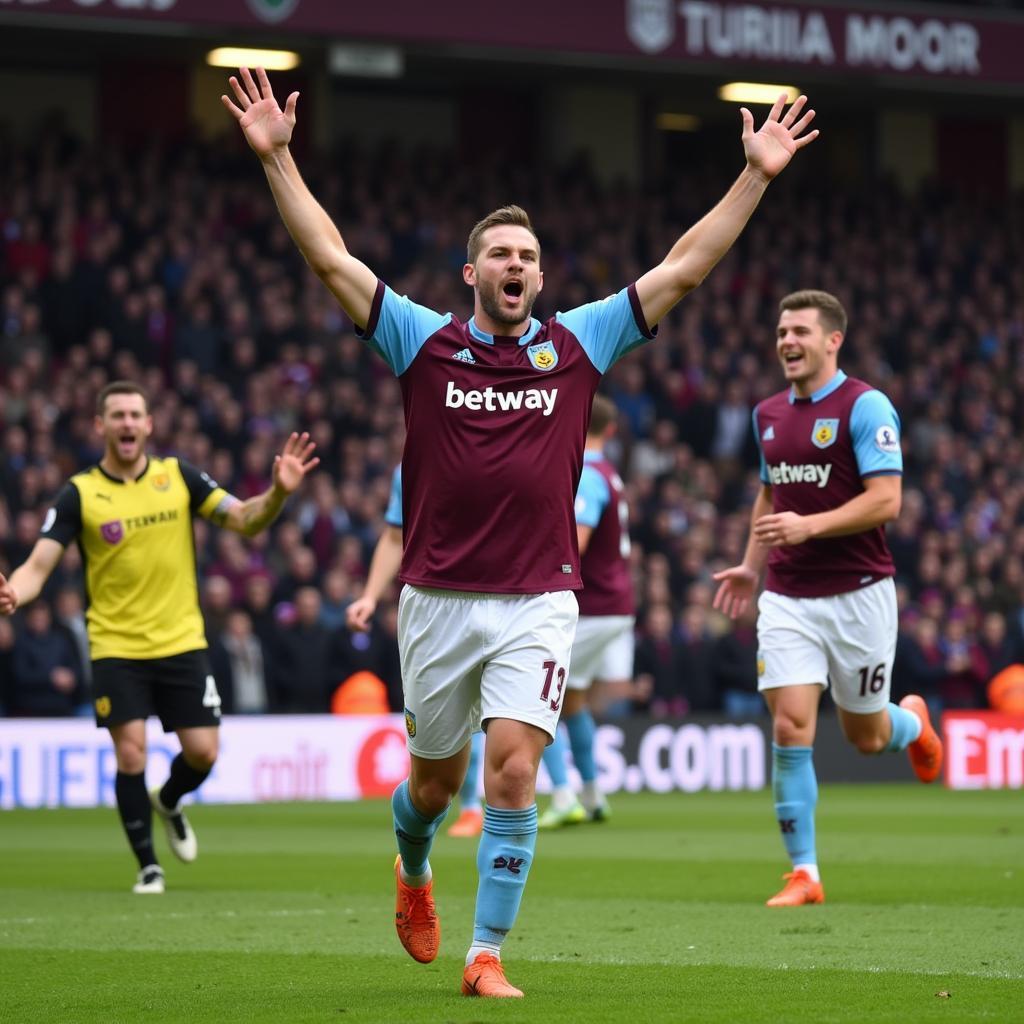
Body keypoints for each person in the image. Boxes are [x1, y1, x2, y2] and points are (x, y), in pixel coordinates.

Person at [225, 65, 817, 997]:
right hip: (436, 602)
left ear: (542, 276)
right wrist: (277, 162)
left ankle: (485, 954)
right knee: (431, 787)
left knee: (511, 775)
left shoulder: (579, 342)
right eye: (500, 255)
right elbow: (332, 261)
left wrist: (757, 175)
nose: (515, 268)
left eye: (528, 258)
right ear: (472, 272)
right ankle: (412, 868)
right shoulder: (420, 339)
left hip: (541, 600)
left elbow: (685, 267)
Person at [0, 381, 318, 894]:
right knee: (131, 754)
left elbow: (243, 520)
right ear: (100, 426)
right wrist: (14, 592)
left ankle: (168, 799)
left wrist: (278, 491)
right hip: (116, 646)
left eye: (135, 415)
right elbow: (40, 562)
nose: (127, 423)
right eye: (117, 415)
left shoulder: (178, 477)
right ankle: (148, 865)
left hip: (180, 641)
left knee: (204, 754)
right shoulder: (80, 493)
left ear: (149, 425)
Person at [712, 290, 943, 909]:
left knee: (865, 735)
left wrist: (808, 526)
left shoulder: (865, 407)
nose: (786, 341)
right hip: (788, 597)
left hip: (860, 595)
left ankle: (913, 724)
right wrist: (749, 567)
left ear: (833, 340)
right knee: (790, 726)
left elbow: (886, 500)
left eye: (800, 332)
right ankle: (804, 873)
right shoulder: (767, 414)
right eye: (781, 330)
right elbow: (770, 497)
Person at [345, 466, 485, 838]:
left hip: (510, 603)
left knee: (504, 720)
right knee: (433, 782)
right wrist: (370, 596)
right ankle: (417, 859)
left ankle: (476, 807)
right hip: (439, 611)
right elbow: (395, 537)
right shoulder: (410, 468)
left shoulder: (512, 445)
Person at [539, 395, 634, 829]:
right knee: (572, 700)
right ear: (611, 430)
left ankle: (563, 795)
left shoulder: (588, 477)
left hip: (592, 605)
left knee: (538, 700)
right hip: (615, 604)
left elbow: (576, 541)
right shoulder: (609, 473)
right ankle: (594, 796)